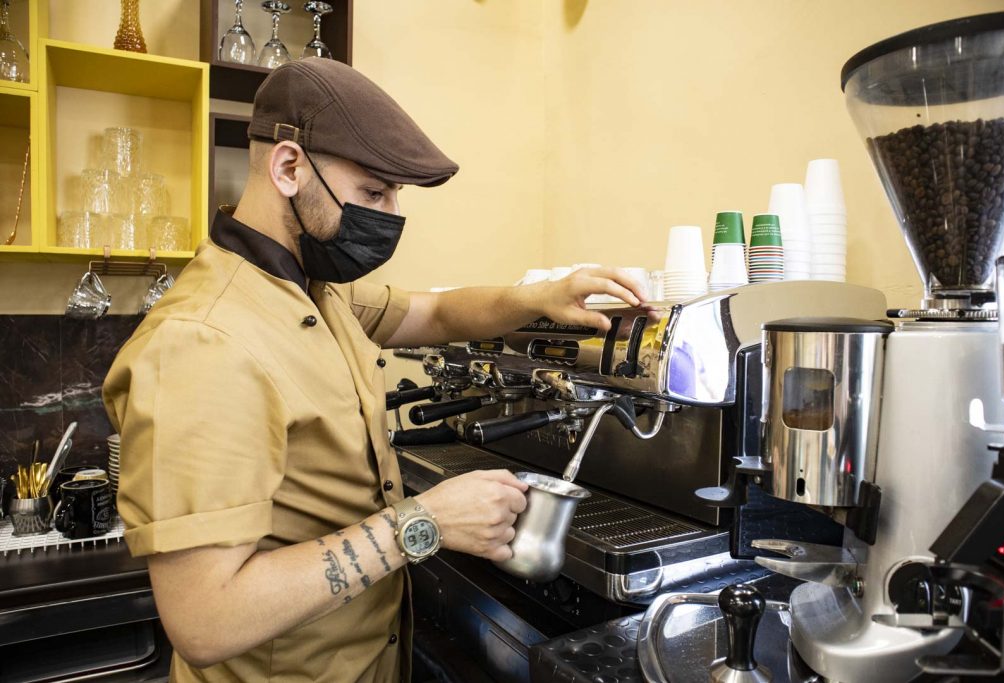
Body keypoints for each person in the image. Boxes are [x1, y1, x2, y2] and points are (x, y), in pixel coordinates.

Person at [102, 58, 645, 683]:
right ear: (287, 168)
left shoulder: (308, 290)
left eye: (394, 196)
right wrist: (425, 522)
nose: (388, 216)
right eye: (372, 193)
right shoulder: (204, 343)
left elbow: (436, 312)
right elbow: (206, 619)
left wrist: (540, 296)